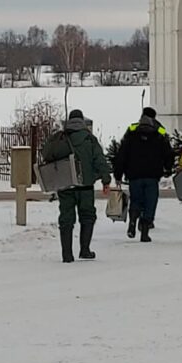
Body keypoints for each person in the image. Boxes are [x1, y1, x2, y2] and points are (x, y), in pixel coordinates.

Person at [43, 109, 111, 263]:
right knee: (87, 216)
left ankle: (67, 255)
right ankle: (85, 250)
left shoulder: (60, 137)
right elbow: (100, 160)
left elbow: (47, 156)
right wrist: (106, 180)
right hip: (85, 186)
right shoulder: (89, 139)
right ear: (82, 121)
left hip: (65, 185)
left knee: (66, 218)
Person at [113, 108, 174, 242]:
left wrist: (118, 173)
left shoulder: (132, 130)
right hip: (152, 175)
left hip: (134, 175)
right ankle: (145, 231)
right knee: (150, 202)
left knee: (136, 200)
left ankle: (133, 221)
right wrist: (168, 168)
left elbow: (122, 154)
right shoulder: (160, 131)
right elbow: (168, 152)